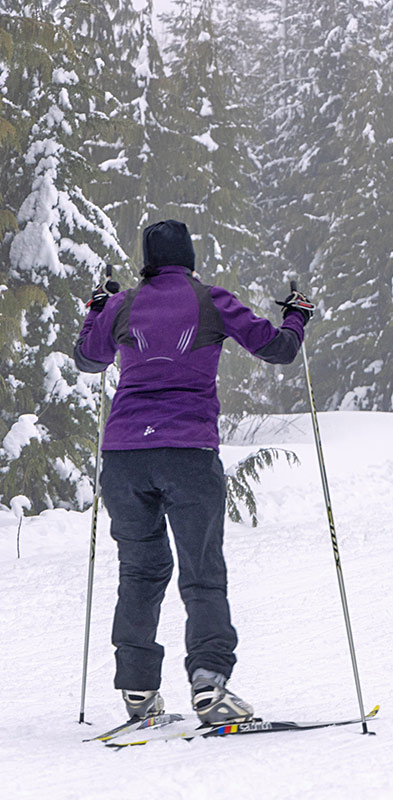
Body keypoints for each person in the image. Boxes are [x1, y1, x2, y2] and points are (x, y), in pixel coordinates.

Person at [73, 219, 314, 724]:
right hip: (188, 452)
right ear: (189, 257)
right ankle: (209, 686)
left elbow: (88, 361)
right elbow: (279, 350)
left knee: (140, 571)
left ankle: (138, 693)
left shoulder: (123, 305)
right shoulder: (210, 300)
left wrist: (94, 311)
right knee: (201, 573)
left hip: (123, 457)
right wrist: (296, 317)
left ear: (147, 259)